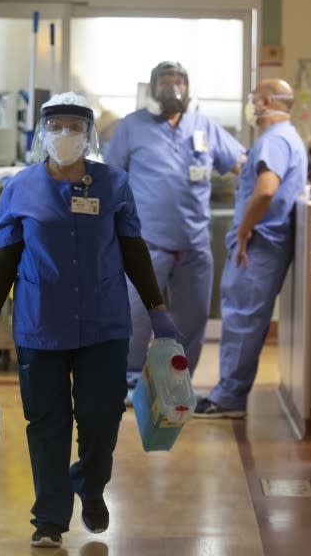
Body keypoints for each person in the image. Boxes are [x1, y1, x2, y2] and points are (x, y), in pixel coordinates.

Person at [0, 92, 180, 548]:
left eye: (75, 127)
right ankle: (50, 519)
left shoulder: (113, 184)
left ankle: (91, 486)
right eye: (56, 126)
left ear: (89, 134)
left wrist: (158, 312)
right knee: (46, 423)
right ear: (42, 133)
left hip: (104, 324)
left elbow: (134, 250)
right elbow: (5, 260)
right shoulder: (20, 188)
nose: (65, 135)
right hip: (42, 325)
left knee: (100, 421)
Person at [103, 61, 246, 399]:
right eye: (165, 83)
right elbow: (110, 179)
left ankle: (178, 384)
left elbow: (241, 162)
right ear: (152, 88)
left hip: (194, 245)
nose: (173, 89)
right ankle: (130, 379)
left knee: (191, 321)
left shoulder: (203, 126)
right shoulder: (131, 126)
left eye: (179, 82)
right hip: (145, 244)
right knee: (135, 317)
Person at [195, 79, 307, 418]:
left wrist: (244, 231)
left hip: (257, 245)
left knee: (242, 319)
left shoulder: (275, 140)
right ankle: (230, 391)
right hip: (266, 245)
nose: (250, 105)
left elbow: (265, 190)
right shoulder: (288, 139)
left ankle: (228, 397)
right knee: (244, 318)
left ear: (266, 101)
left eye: (253, 99)